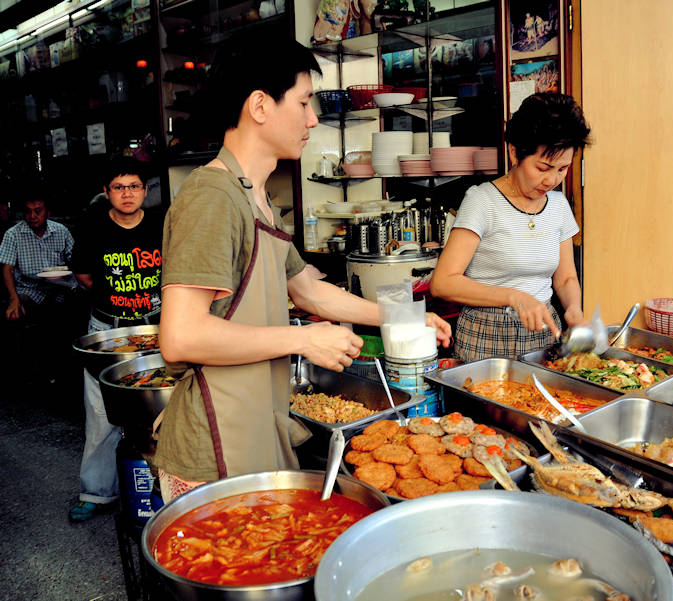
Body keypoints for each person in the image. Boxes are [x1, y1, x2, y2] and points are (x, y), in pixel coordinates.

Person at [154, 38, 451, 502]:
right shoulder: (213, 197)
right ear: (259, 105)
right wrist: (303, 339)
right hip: (212, 444)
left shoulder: (256, 197)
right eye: (304, 102)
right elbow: (180, 336)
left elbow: (309, 291)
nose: (312, 119)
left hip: (254, 421)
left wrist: (403, 317)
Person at [430, 93, 591, 363]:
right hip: (486, 335)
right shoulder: (482, 201)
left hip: (544, 333)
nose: (552, 179)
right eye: (543, 167)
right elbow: (443, 282)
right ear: (514, 151)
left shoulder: (559, 205)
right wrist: (514, 297)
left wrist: (573, 310)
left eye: (563, 169)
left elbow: (565, 278)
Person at [68, 158, 163, 521]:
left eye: (134, 186)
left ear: (144, 190)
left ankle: (165, 487)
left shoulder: (159, 224)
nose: (127, 194)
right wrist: (119, 303)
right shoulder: (92, 227)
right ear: (107, 193)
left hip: (155, 327)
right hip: (107, 331)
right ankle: (96, 492)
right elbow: (85, 276)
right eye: (119, 187)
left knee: (161, 410)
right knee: (101, 413)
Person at [0, 196, 78, 380]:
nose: (32, 216)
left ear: (48, 213)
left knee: (78, 310)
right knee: (14, 315)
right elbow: (7, 268)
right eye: (28, 211)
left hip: (61, 287)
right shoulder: (13, 234)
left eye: (37, 211)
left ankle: (70, 367)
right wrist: (13, 298)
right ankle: (26, 372)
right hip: (30, 289)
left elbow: (75, 261)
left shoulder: (61, 231)